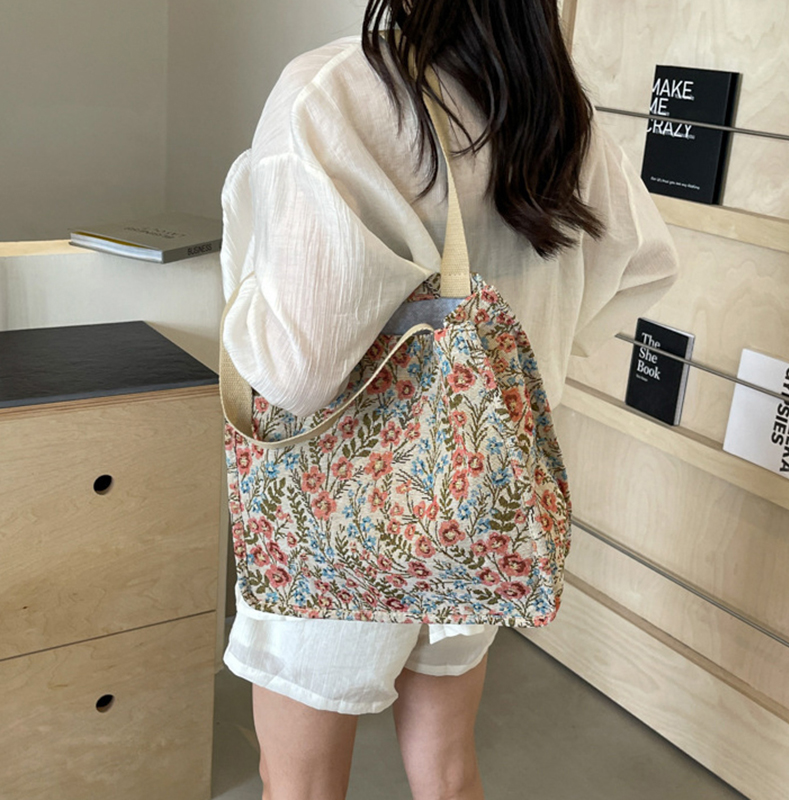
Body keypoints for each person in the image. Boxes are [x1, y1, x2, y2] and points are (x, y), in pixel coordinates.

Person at [219, 1, 679, 798]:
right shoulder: (548, 104)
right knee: (447, 771)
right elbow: (644, 264)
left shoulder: (338, 92)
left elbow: (295, 374)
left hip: (344, 523)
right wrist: (519, 361)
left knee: (298, 785)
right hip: (474, 506)